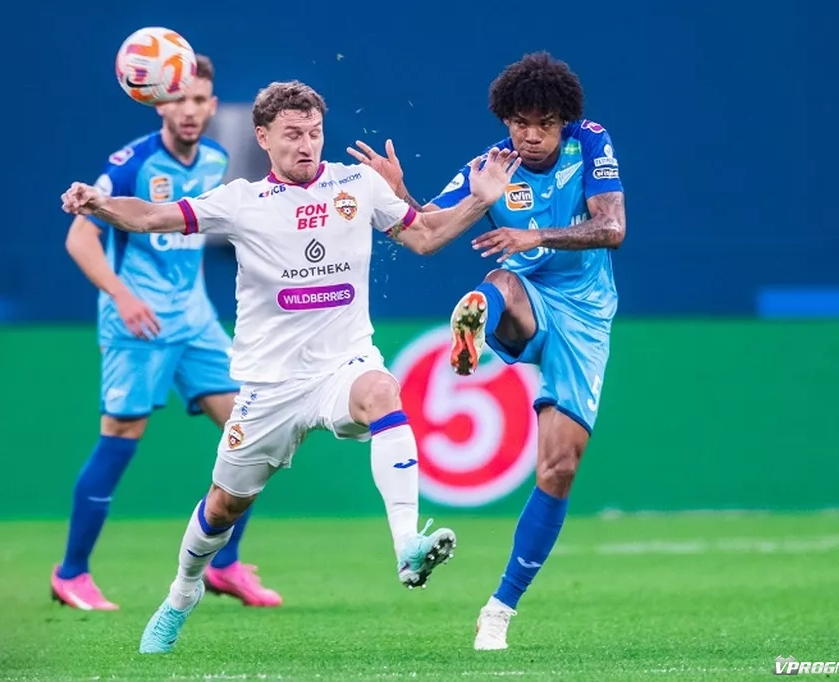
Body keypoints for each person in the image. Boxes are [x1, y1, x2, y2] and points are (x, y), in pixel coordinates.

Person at [61, 79, 522, 653]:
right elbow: (152, 216)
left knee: (383, 390)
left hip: (343, 366)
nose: (306, 145)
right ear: (263, 137)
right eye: (292, 135)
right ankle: (182, 592)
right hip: (270, 386)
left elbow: (426, 237)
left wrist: (479, 200)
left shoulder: (358, 184)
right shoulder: (240, 201)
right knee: (224, 505)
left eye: (314, 133)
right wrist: (100, 204)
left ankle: (407, 544)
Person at [348, 52, 626, 650]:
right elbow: (428, 227)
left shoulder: (590, 143)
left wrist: (535, 234)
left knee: (559, 468)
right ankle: (476, 319)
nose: (531, 135)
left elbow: (612, 228)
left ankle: (498, 609)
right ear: (505, 120)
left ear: (564, 121)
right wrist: (400, 194)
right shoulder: (490, 167)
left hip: (585, 314)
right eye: (520, 122)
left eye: (544, 124)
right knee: (500, 280)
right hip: (526, 299)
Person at [52, 54, 281, 611]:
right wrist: (122, 295)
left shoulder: (217, 160)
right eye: (178, 99)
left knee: (253, 431)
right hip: (139, 321)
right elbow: (79, 238)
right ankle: (72, 573)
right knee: (121, 434)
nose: (189, 110)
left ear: (212, 104)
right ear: (158, 101)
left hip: (195, 319)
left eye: (199, 99)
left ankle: (223, 565)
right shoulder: (130, 164)